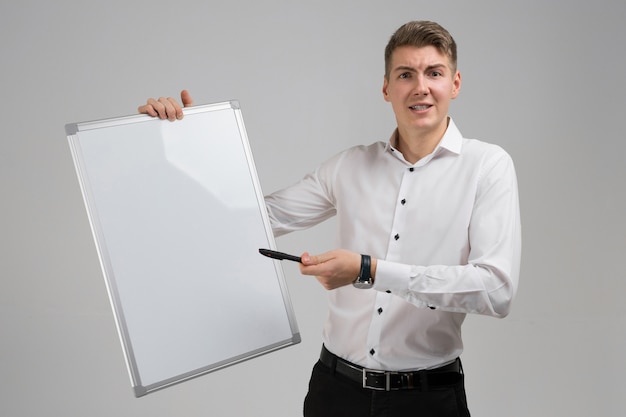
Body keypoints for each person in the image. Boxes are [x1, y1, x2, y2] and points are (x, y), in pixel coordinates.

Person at [138, 20, 521, 417]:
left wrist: (369, 269)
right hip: (335, 394)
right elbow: (250, 218)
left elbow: (495, 290)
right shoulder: (351, 166)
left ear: (454, 84)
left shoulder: (487, 166)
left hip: (427, 400)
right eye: (405, 74)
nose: (420, 87)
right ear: (387, 88)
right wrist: (187, 142)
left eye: (434, 73)